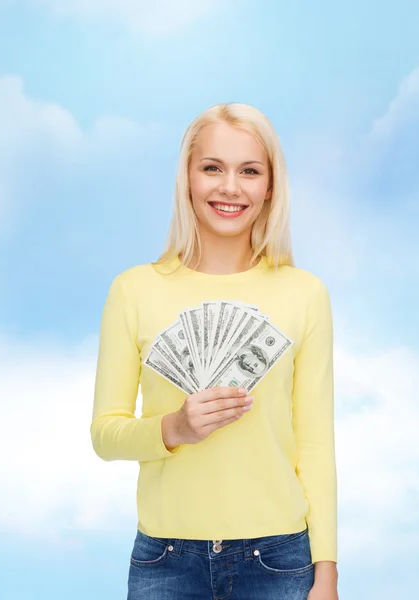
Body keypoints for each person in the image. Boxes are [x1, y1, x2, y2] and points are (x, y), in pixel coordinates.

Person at [91, 103, 339, 600]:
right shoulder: (133, 290)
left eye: (249, 171)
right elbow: (105, 435)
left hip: (280, 560)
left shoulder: (304, 294)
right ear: (187, 178)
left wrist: (326, 573)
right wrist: (173, 428)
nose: (230, 187)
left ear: (270, 186)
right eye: (212, 168)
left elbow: (314, 443)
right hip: (165, 560)